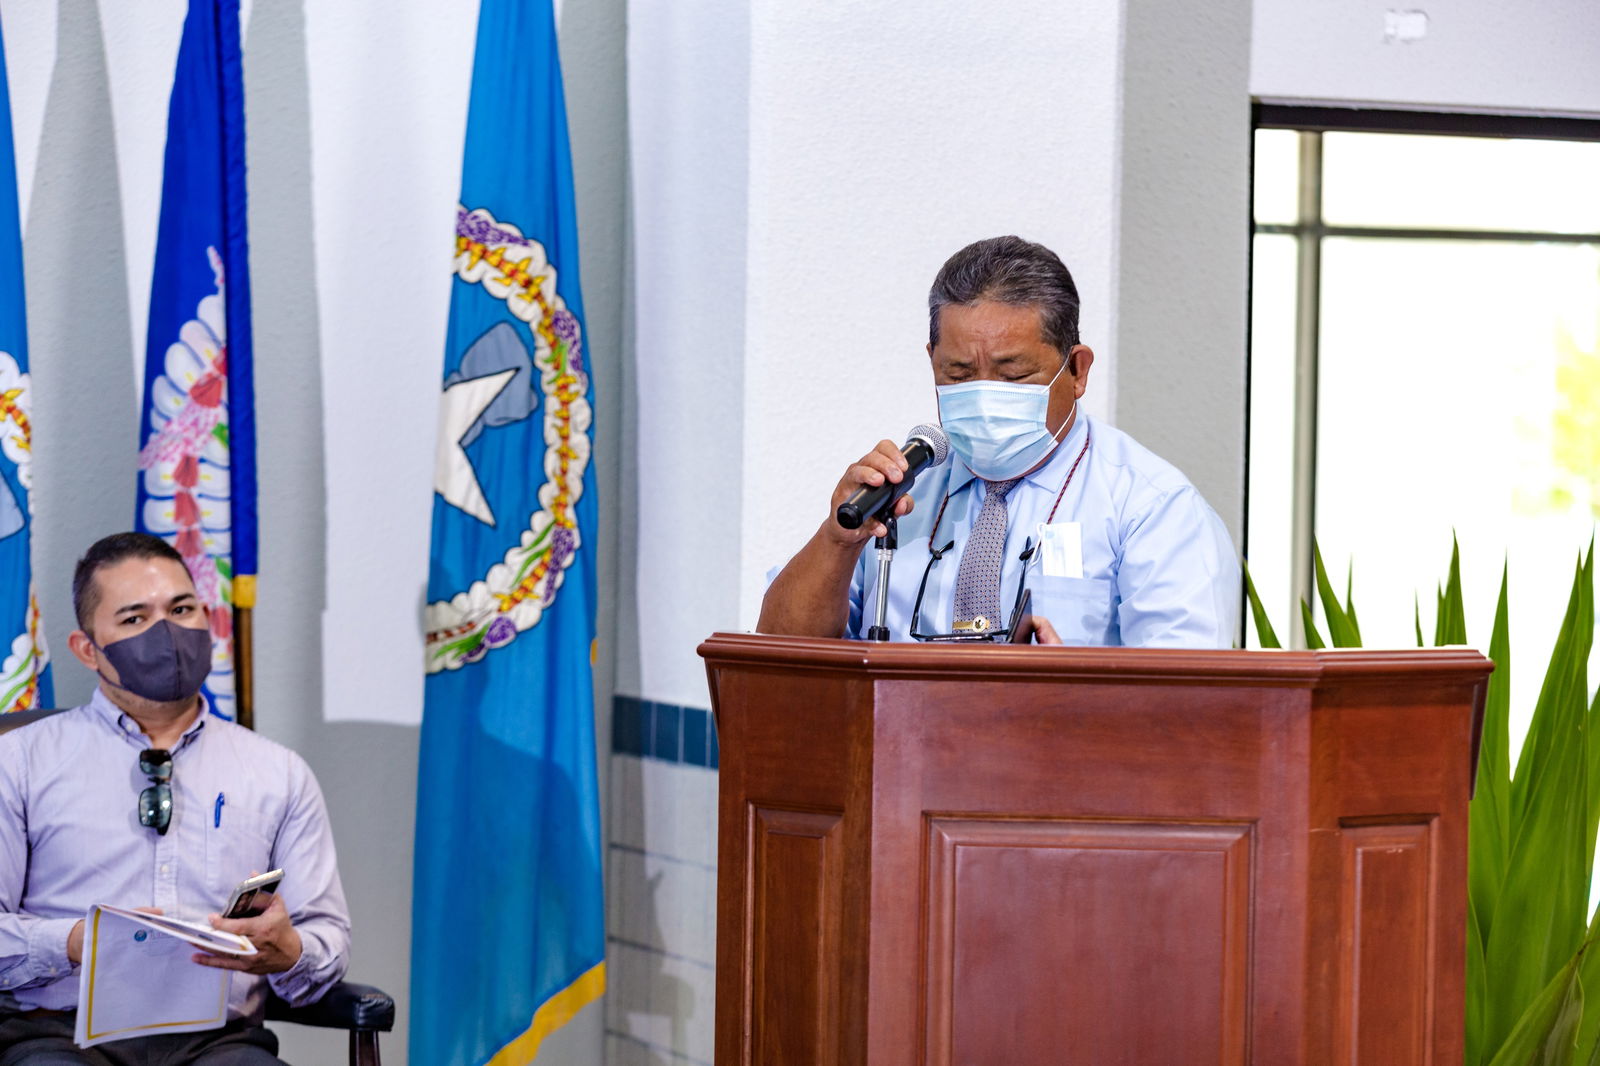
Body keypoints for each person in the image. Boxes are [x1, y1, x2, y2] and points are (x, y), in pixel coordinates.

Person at [759, 235, 1240, 646]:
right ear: (932, 362)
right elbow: (777, 656)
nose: (986, 397)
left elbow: (1190, 707)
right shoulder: (898, 494)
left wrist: (1074, 695)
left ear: (1077, 370)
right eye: (960, 374)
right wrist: (839, 541)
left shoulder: (1152, 509)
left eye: (1013, 376)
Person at [0, 533, 350, 1065]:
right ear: (87, 649)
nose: (165, 632)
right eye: (134, 619)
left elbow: (326, 939)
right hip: (60, 1038)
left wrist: (289, 952)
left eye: (181, 609)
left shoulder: (279, 773)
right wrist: (78, 941)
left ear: (208, 619)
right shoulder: (19, 761)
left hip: (221, 1043)